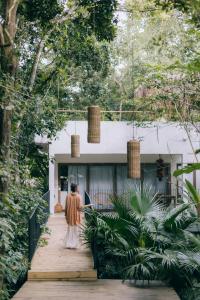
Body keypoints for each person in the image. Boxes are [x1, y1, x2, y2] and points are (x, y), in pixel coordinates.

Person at [64, 183, 82, 249]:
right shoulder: (78, 196)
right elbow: (80, 208)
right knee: (75, 230)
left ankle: (69, 244)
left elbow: (66, 207)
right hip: (76, 216)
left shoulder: (68, 196)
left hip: (69, 215)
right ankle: (74, 244)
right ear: (76, 188)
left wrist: (66, 215)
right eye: (77, 187)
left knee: (70, 229)